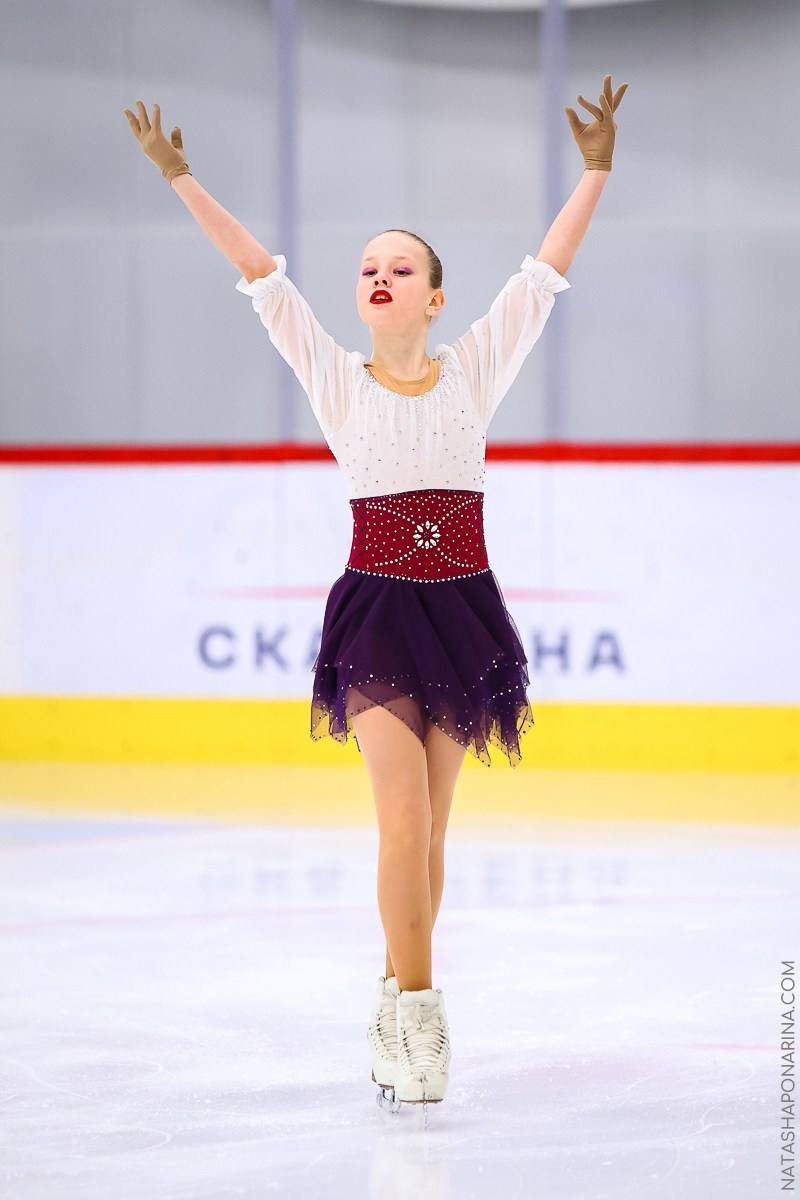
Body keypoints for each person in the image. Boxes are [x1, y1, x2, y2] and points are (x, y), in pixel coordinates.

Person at [124, 73, 628, 1112]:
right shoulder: (332, 375)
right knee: (399, 826)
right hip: (376, 612)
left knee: (433, 836)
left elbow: (543, 272)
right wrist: (181, 179)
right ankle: (422, 1021)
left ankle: (390, 993)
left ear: (435, 297)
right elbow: (260, 274)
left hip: (462, 609)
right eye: (368, 268)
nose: (380, 276)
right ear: (358, 297)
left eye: (402, 267)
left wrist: (595, 170)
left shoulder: (476, 365)